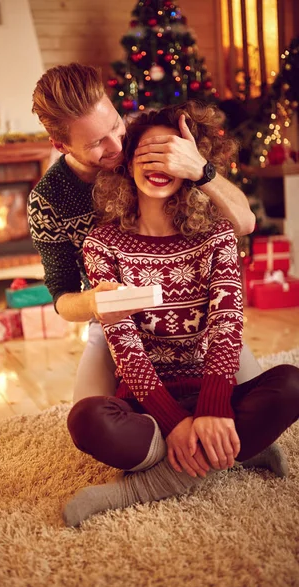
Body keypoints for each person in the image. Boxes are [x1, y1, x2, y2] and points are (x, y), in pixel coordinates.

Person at [63, 101, 299, 527]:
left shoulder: (217, 235)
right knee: (85, 420)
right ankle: (233, 453)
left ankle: (148, 484)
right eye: (147, 154)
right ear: (127, 164)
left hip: (211, 386)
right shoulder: (102, 244)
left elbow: (228, 325)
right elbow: (125, 347)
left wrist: (212, 410)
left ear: (190, 165)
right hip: (146, 405)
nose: (159, 165)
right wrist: (174, 423)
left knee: (293, 383)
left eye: (171, 155)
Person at [28, 63, 260, 407]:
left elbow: (244, 222)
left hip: (196, 316)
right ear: (60, 145)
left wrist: (200, 168)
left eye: (114, 125)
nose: (117, 146)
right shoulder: (49, 200)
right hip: (117, 327)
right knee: (88, 416)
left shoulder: (143, 140)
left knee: (256, 396)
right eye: (96, 143)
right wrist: (96, 302)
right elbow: (62, 297)